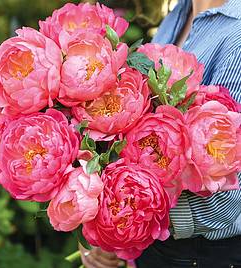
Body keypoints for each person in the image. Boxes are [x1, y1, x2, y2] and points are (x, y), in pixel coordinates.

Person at [80, 0, 241, 267]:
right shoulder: (177, 16)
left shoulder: (236, 37)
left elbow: (228, 202)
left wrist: (115, 222)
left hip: (205, 257)